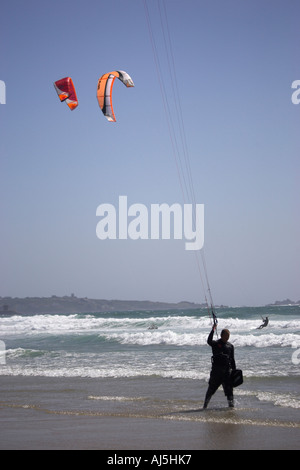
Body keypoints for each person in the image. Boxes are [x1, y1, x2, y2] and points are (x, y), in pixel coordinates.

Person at [203, 324, 236, 409]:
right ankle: (205, 406)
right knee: (211, 390)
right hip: (216, 372)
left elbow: (232, 360)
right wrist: (213, 329)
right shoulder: (216, 344)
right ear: (221, 335)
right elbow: (209, 341)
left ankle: (231, 407)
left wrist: (234, 372)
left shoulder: (230, 346)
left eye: (228, 336)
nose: (227, 338)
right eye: (226, 336)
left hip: (227, 373)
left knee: (229, 391)